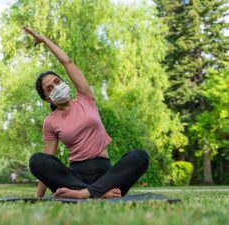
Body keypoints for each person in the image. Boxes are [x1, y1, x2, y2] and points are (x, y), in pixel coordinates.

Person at [24, 26, 150, 199]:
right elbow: (47, 161)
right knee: (37, 160)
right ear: (48, 99)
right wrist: (38, 197)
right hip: (74, 178)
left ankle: (85, 193)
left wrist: (44, 40)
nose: (56, 87)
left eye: (57, 81)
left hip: (107, 176)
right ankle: (98, 193)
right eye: (50, 88)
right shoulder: (50, 122)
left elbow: (67, 62)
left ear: (63, 82)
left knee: (140, 156)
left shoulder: (85, 98)